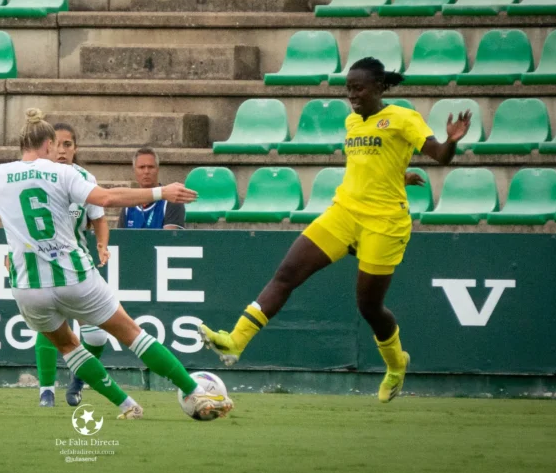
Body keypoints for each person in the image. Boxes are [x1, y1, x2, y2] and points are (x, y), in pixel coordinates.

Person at [0, 109, 232, 420]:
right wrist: (160, 191)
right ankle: (194, 391)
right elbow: (107, 198)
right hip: (74, 276)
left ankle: (127, 406)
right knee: (132, 334)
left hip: (28, 288)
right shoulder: (64, 172)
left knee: (68, 346)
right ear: (49, 145)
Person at [199, 57, 473, 403]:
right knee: (287, 273)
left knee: (369, 307)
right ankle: (235, 341)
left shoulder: (404, 118)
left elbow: (439, 155)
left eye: (359, 88)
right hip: (344, 213)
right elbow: (368, 164)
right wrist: (398, 175)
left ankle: (395, 364)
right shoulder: (352, 122)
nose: (352, 95)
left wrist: (451, 141)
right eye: (349, 89)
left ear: (378, 87)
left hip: (384, 223)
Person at [33, 123, 113, 408]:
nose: (62, 150)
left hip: (77, 264)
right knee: (50, 326)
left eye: (68, 144)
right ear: (48, 146)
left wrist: (102, 244)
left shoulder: (85, 179)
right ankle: (46, 391)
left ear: (75, 148)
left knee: (98, 334)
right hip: (42, 262)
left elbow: (99, 218)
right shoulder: (34, 177)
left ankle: (78, 382)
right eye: (57, 144)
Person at [117, 148, 186, 230]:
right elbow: (120, 237)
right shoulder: (128, 205)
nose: (146, 171)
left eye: (150, 167)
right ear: (134, 170)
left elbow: (170, 237)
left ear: (157, 169)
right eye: (141, 167)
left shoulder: (171, 200)